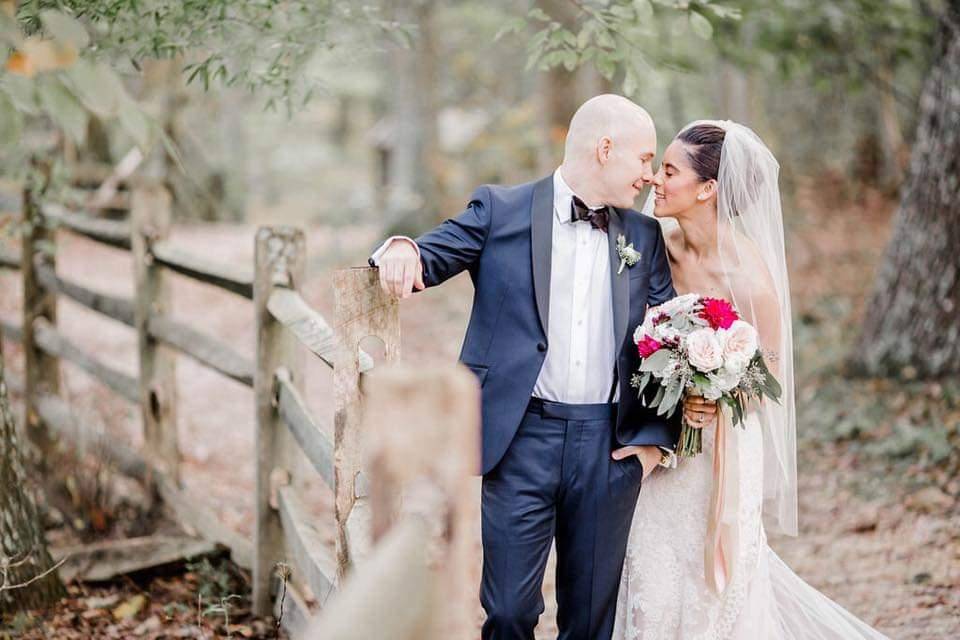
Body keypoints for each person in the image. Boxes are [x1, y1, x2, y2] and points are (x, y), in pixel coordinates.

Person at [370, 94, 680, 640]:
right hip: (520, 439)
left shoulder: (644, 237)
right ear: (605, 149)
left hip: (609, 448)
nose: (650, 176)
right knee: (510, 612)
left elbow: (669, 343)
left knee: (589, 622)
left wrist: (654, 442)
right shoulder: (501, 209)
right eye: (644, 159)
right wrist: (399, 248)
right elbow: (430, 255)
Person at [612, 120, 889, 639]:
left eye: (669, 171)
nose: (656, 181)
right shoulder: (654, 244)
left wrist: (714, 393)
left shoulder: (751, 280)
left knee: (714, 586)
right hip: (663, 443)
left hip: (724, 450)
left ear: (708, 189)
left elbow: (771, 375)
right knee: (652, 569)